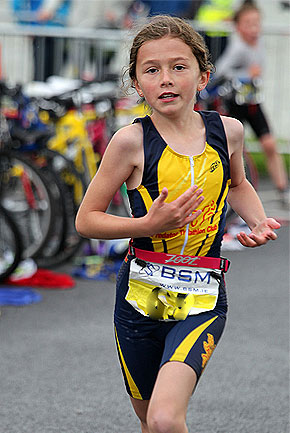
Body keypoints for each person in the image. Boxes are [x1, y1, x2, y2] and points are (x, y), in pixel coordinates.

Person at [75, 15, 281, 433]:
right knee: (150, 422)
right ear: (137, 84)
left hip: (201, 297)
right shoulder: (129, 142)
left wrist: (257, 221)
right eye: (152, 70)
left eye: (179, 67)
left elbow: (237, 183)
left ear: (203, 76)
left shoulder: (229, 132)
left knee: (167, 419)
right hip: (140, 299)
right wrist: (148, 224)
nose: (166, 79)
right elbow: (86, 220)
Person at [214, 1, 289, 206]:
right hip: (235, 104)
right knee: (234, 149)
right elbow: (220, 72)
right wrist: (246, 74)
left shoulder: (259, 43)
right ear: (238, 27)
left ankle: (283, 190)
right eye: (248, 24)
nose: (254, 29)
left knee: (270, 144)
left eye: (257, 23)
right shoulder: (238, 48)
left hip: (253, 102)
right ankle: (229, 191)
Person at [12, 0, 71, 80]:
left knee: (55, 76)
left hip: (59, 32)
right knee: (41, 73)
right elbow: (18, 5)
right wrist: (25, 25)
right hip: (40, 32)